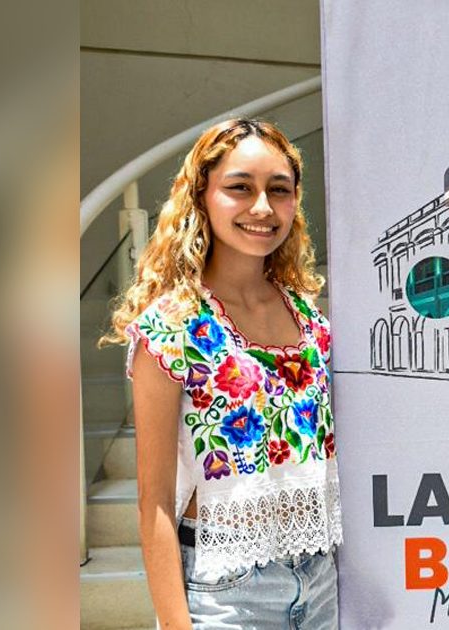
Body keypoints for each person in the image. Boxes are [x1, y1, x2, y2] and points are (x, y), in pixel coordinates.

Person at [100, 119, 341, 629]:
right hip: (226, 594)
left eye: (279, 190)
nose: (262, 207)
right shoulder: (172, 328)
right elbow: (154, 503)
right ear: (201, 197)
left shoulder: (311, 319)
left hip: (320, 583)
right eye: (240, 188)